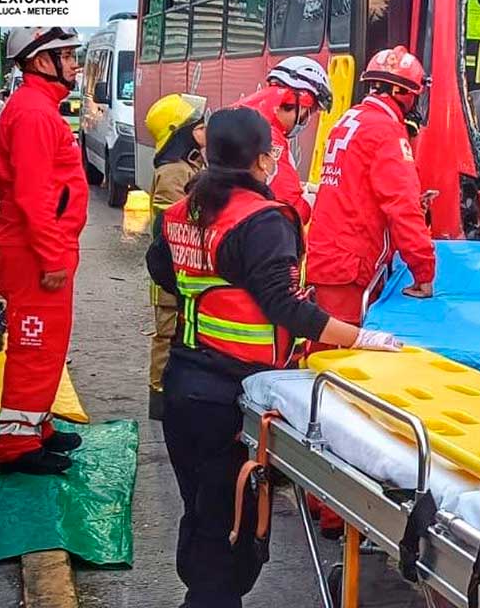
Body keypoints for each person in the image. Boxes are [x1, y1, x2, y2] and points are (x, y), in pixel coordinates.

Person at [146, 107, 401, 608]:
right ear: (262, 159)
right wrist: (362, 338)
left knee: (202, 511)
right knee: (229, 523)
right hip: (234, 396)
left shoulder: (182, 211)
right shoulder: (262, 220)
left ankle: (201, 594)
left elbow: (162, 270)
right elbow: (285, 306)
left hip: (182, 385)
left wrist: (213, 288)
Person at [0, 27, 89, 475]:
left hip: (42, 251)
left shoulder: (39, 109)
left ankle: (37, 426)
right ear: (39, 61)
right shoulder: (33, 114)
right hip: (36, 257)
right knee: (34, 347)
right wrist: (52, 258)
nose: (73, 64)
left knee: (48, 346)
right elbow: (33, 196)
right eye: (65, 56)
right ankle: (16, 445)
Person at [307, 46, 437, 325]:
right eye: (414, 95)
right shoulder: (385, 131)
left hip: (329, 256)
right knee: (342, 360)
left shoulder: (349, 119)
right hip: (350, 267)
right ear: (401, 93)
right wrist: (424, 273)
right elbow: (402, 206)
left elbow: (358, 188)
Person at [144, 92, 208, 421]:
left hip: (180, 273)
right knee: (167, 335)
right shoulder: (173, 173)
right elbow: (172, 229)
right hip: (170, 275)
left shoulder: (190, 165)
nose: (205, 131)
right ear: (180, 132)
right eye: (198, 126)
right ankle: (159, 397)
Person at [235, 56, 332, 224]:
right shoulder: (270, 138)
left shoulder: (241, 121)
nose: (307, 119)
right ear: (301, 104)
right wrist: (314, 199)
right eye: (310, 110)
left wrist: (303, 188)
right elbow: (292, 210)